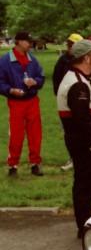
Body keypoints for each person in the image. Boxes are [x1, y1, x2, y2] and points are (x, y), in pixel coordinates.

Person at [57, 39, 91, 237]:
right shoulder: (77, 84)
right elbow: (81, 119)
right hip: (83, 143)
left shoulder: (79, 79)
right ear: (86, 58)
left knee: (85, 181)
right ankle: (84, 226)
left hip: (82, 141)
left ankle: (85, 219)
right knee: (84, 183)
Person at [0, 31, 45, 176]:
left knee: (35, 133)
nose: (30, 44)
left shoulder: (32, 59)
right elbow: (0, 82)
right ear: (18, 42)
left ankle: (35, 163)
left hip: (32, 100)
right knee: (16, 134)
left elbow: (41, 77)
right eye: (27, 41)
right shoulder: (5, 60)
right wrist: (10, 90)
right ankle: (13, 165)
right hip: (16, 102)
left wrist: (35, 82)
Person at [53, 32, 83, 171]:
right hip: (65, 102)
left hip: (82, 102)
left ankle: (82, 157)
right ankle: (73, 158)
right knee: (68, 131)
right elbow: (56, 81)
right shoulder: (63, 61)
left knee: (82, 130)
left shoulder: (84, 61)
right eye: (69, 43)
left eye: (72, 44)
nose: (69, 46)